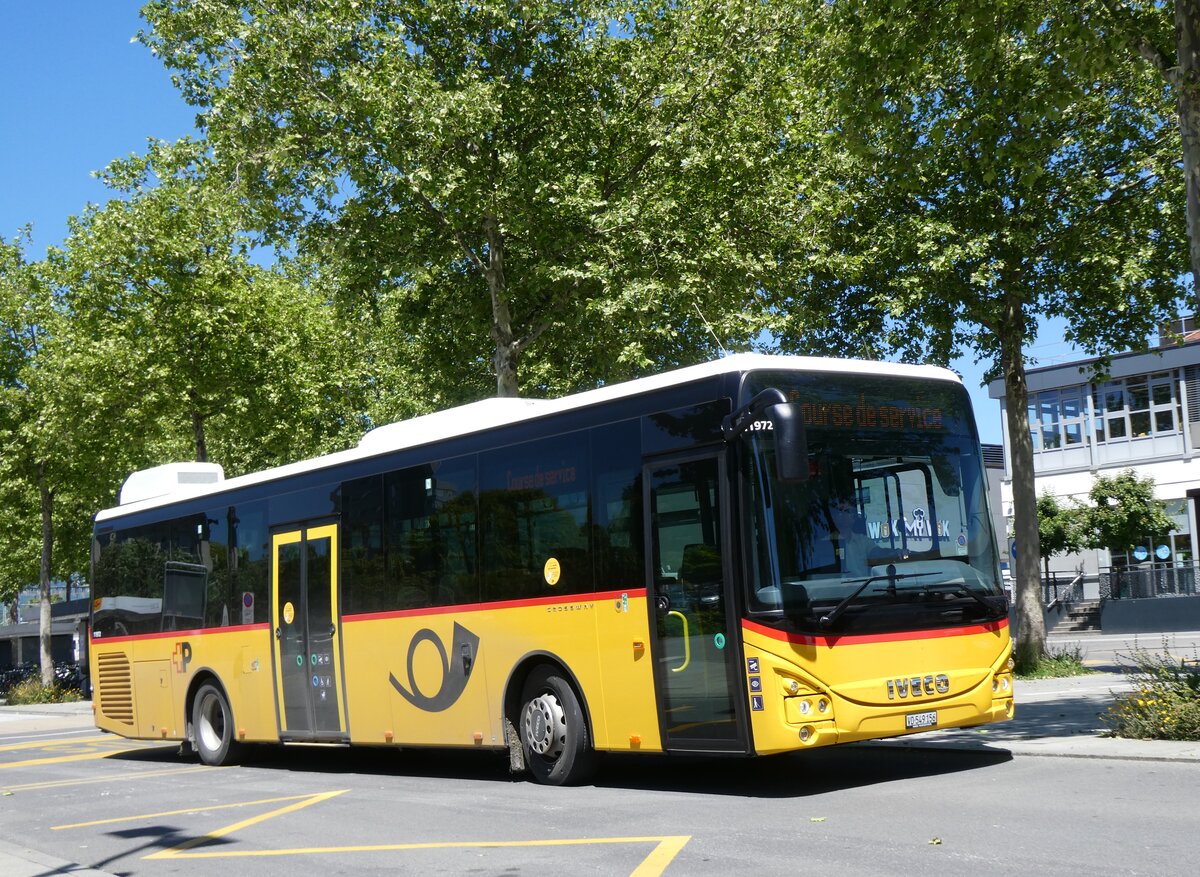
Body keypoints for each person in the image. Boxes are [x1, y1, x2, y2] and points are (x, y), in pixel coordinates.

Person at [830, 497, 875, 577]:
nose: (845, 515)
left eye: (849, 511)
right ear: (834, 517)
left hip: (864, 587)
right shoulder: (826, 543)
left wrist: (897, 552)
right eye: (840, 511)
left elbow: (877, 552)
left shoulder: (863, 540)